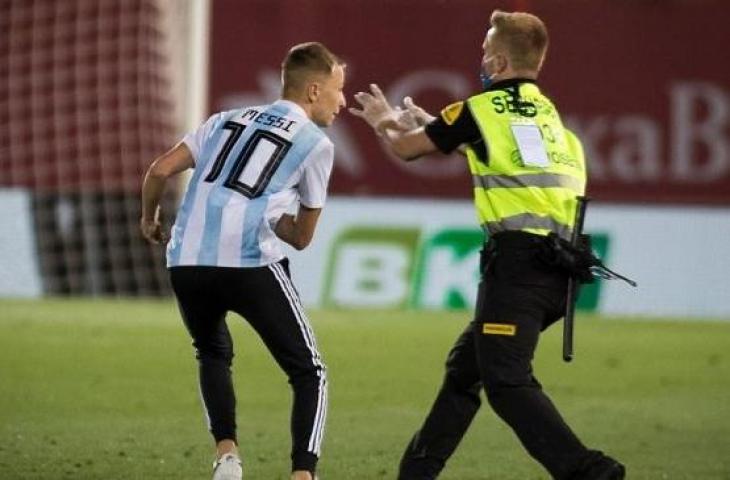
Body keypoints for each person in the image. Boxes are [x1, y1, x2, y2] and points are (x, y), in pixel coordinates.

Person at [350, 10, 625, 480]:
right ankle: (416, 473)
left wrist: (383, 121)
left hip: (519, 269)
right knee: (466, 370)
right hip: (562, 270)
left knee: (506, 383)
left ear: (498, 62)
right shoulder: (552, 121)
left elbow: (407, 148)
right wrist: (436, 123)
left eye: (483, 53)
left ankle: (592, 473)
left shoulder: (480, 110)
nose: (480, 61)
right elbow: (503, 153)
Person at [140, 42, 346, 480]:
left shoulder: (223, 120)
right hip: (249, 263)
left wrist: (148, 218)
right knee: (309, 372)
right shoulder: (315, 144)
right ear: (313, 91)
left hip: (186, 261)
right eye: (337, 90)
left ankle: (227, 457)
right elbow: (302, 238)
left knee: (212, 351)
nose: (342, 101)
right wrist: (277, 217)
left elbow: (159, 170)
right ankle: (303, 475)